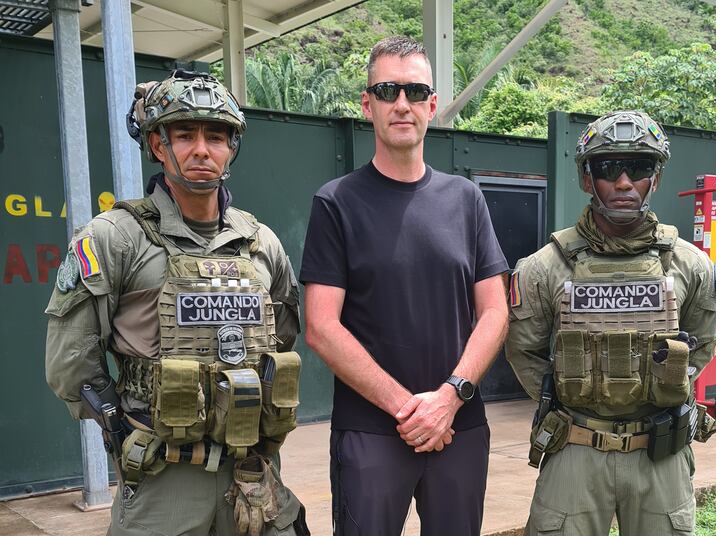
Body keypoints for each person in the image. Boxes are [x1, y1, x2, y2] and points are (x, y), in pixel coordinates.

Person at [45, 70, 309, 536]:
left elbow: (281, 334)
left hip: (252, 471)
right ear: (157, 145)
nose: (202, 149)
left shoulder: (260, 242)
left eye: (216, 135)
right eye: (184, 134)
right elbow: (71, 363)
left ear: (232, 147)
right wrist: (121, 429)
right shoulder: (115, 237)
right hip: (162, 476)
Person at [300, 36, 509, 536]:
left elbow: (495, 311)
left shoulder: (466, 200)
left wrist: (450, 398)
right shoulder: (336, 204)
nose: (401, 104)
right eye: (388, 90)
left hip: (459, 426)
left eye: (415, 92)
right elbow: (321, 327)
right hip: (371, 432)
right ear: (366, 103)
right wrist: (409, 408)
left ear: (431, 106)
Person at [505, 110, 716, 536]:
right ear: (588, 179)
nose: (624, 182)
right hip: (574, 448)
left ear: (655, 178)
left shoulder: (690, 265)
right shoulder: (543, 268)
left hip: (660, 453)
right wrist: (574, 395)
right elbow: (523, 350)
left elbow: (702, 343)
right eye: (609, 168)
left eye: (640, 168)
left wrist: (664, 388)